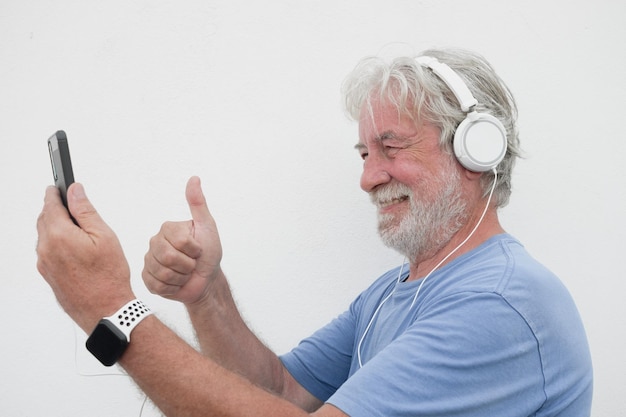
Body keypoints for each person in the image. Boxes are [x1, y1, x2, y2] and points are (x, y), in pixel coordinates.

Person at [36, 47, 593, 416]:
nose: (369, 177)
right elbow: (278, 392)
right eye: (364, 153)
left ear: (477, 149)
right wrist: (207, 294)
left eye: (391, 148)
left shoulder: (500, 303)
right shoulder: (391, 295)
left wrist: (110, 308)